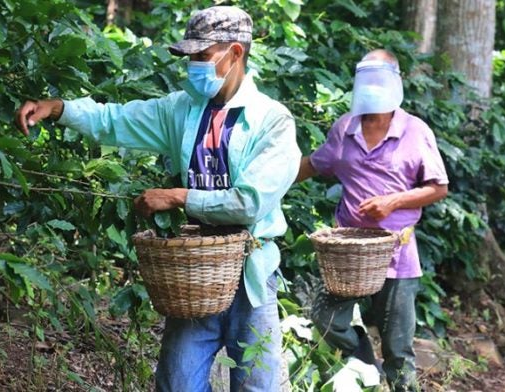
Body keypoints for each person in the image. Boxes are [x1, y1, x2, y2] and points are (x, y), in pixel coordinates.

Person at [16, 6, 300, 391]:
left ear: (235, 53)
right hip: (195, 271)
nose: (193, 67)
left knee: (257, 386)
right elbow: (115, 120)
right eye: (191, 59)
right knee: (177, 383)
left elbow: (249, 202)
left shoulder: (273, 121)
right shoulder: (182, 109)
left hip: (251, 275)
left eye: (202, 57)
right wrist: (60, 109)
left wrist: (179, 197)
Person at [296, 49, 449, 391]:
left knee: (398, 347)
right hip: (348, 253)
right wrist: (265, 181)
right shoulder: (345, 128)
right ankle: (364, 359)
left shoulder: (414, 130)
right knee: (324, 318)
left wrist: (393, 202)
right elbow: (312, 165)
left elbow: (438, 188)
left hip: (396, 251)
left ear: (395, 81)